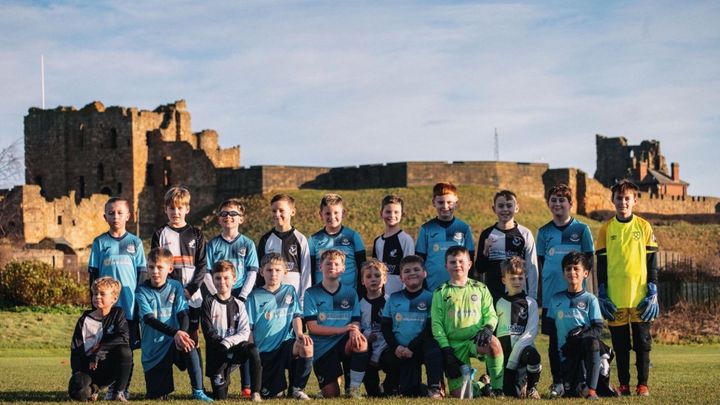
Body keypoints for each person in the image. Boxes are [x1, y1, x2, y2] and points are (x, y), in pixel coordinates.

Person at [596, 179, 659, 397]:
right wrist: (602, 292)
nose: (623, 202)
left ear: (634, 200)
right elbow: (601, 265)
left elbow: (652, 263)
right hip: (615, 298)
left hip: (640, 297)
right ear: (612, 200)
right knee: (621, 345)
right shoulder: (606, 229)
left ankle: (643, 385)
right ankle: (624, 384)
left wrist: (653, 290)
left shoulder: (644, 226)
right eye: (619, 198)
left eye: (627, 198)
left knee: (642, 342)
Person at [536, 184, 594, 397]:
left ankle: (580, 381)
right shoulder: (543, 232)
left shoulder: (582, 230)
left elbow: (589, 263)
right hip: (552, 299)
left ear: (571, 203)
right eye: (553, 199)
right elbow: (541, 264)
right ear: (548, 203)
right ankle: (558, 382)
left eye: (562, 200)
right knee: (554, 342)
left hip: (576, 300)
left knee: (578, 339)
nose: (557, 203)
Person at [87, 197, 146, 399]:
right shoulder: (100, 242)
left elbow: (141, 275)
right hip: (106, 309)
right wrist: (94, 304)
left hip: (129, 308)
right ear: (105, 216)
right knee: (105, 348)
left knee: (126, 350)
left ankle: (122, 389)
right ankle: (103, 387)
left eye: (120, 212)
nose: (116, 216)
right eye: (111, 213)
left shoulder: (135, 243)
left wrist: (140, 305)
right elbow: (93, 276)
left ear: (128, 216)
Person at [135, 248, 213, 402]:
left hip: (174, 342)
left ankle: (198, 390)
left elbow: (183, 314)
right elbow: (149, 319)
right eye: (151, 267)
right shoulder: (141, 290)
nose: (155, 271)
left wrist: (181, 334)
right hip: (154, 350)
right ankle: (161, 388)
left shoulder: (176, 286)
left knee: (189, 343)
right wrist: (176, 333)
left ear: (170, 269)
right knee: (157, 397)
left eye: (160, 267)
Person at [431, 246, 504, 398]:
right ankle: (482, 385)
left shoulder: (480, 288)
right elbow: (436, 324)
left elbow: (491, 314)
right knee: (461, 394)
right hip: (454, 345)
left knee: (494, 343)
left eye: (461, 261)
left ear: (469, 264)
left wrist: (488, 328)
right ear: (446, 266)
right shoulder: (440, 292)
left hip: (475, 339)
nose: (457, 265)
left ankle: (497, 389)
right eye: (452, 262)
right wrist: (446, 350)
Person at [247, 253, 313, 400]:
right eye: (269, 270)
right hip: (266, 352)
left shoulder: (289, 290)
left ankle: (297, 389)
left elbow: (296, 316)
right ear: (261, 271)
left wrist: (299, 334)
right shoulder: (254, 296)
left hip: (285, 344)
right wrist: (253, 351)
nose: (273, 274)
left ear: (285, 272)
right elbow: (249, 328)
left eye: (277, 270)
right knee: (275, 396)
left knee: (306, 346)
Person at [303, 249, 368, 398]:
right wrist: (343, 329)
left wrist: (354, 331)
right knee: (331, 395)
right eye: (328, 263)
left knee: (360, 341)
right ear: (321, 267)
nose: (332, 266)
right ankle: (332, 381)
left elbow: (355, 321)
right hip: (323, 349)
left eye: (336, 264)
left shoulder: (350, 292)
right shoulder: (311, 293)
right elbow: (313, 328)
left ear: (343, 268)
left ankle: (353, 389)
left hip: (344, 343)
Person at [380, 255, 444, 398]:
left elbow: (430, 328)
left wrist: (412, 347)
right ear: (401, 277)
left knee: (434, 348)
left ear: (424, 273)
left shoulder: (431, 297)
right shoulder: (393, 298)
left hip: (420, 348)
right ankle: (393, 385)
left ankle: (435, 387)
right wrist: (396, 347)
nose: (412, 273)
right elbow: (385, 327)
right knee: (410, 391)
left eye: (416, 269)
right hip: (401, 350)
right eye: (407, 271)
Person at [546, 252, 607, 400]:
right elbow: (553, 338)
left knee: (593, 343)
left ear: (585, 273)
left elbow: (598, 329)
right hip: (565, 355)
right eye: (568, 269)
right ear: (563, 273)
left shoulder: (591, 300)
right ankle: (559, 383)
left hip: (584, 354)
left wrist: (580, 337)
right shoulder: (555, 299)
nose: (572, 272)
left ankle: (592, 390)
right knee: (571, 392)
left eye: (576, 268)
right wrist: (557, 378)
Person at [151, 186, 207, 345]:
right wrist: (171, 289)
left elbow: (202, 264)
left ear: (187, 209)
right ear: (165, 209)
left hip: (193, 295)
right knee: (171, 335)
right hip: (169, 294)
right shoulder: (159, 234)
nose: (176, 212)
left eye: (180, 208)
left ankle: (195, 362)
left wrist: (191, 289)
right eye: (172, 208)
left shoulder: (197, 234)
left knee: (192, 336)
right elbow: (157, 265)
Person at [201, 260, 262, 401]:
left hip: (235, 350)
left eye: (226, 278)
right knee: (220, 398)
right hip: (217, 353)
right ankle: (217, 384)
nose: (222, 282)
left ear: (234, 279)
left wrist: (228, 342)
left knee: (252, 349)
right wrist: (222, 345)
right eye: (218, 278)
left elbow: (244, 332)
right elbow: (208, 332)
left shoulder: (239, 304)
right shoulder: (208, 302)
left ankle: (255, 392)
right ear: (213, 279)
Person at [69, 277, 132, 402]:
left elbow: (123, 337)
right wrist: (77, 374)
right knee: (79, 393)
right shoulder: (84, 320)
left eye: (102, 294)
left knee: (125, 351)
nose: (97, 297)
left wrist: (99, 352)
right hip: (89, 367)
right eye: (95, 294)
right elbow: (76, 350)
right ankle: (93, 389)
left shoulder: (118, 314)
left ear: (114, 298)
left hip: (109, 366)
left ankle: (119, 392)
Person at [475, 189, 538, 303]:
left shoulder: (525, 234)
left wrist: (532, 296)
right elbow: (480, 268)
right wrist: (485, 252)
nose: (505, 209)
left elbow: (532, 268)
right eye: (501, 206)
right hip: (493, 295)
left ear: (516, 208)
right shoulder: (487, 234)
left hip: (518, 296)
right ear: (494, 209)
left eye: (509, 205)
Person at [495, 257, 542, 399]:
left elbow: (530, 333)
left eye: (520, 278)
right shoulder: (498, 302)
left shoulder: (531, 303)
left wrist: (512, 363)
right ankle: (489, 381)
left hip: (521, 355)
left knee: (533, 355)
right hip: (503, 356)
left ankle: (531, 387)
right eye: (512, 278)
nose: (517, 282)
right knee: (511, 393)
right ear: (504, 280)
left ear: (525, 278)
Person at [415, 183, 475, 291]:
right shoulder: (426, 229)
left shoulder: (464, 228)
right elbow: (419, 260)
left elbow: (470, 259)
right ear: (434, 203)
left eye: (449, 202)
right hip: (432, 288)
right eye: (441, 202)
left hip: (459, 289)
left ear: (456, 202)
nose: (445, 206)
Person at [257, 194, 311, 305]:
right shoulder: (266, 239)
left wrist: (303, 301)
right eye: (274, 211)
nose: (277, 214)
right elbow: (260, 272)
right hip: (270, 301)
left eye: (281, 210)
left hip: (294, 300)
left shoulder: (300, 239)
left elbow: (306, 272)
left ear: (292, 212)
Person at [308, 193, 366, 289]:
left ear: (343, 213)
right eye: (327, 213)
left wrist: (360, 292)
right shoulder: (313, 240)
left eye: (336, 213)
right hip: (321, 295)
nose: (332, 217)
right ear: (321, 214)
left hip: (348, 295)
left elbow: (362, 268)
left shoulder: (353, 236)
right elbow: (310, 271)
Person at [371, 194, 414, 295]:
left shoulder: (406, 240)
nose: (392, 215)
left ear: (403, 214)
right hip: (381, 296)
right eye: (388, 212)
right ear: (381, 213)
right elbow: (375, 270)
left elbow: (410, 269)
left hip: (400, 295)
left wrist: (406, 294)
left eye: (396, 212)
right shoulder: (378, 241)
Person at [358, 259, 389, 397]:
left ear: (385, 279)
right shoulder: (359, 303)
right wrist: (365, 334)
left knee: (393, 360)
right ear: (362, 281)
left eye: (377, 275)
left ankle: (389, 386)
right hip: (367, 346)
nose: (373, 279)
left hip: (387, 346)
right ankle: (374, 390)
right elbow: (355, 325)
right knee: (373, 393)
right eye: (369, 276)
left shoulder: (390, 301)